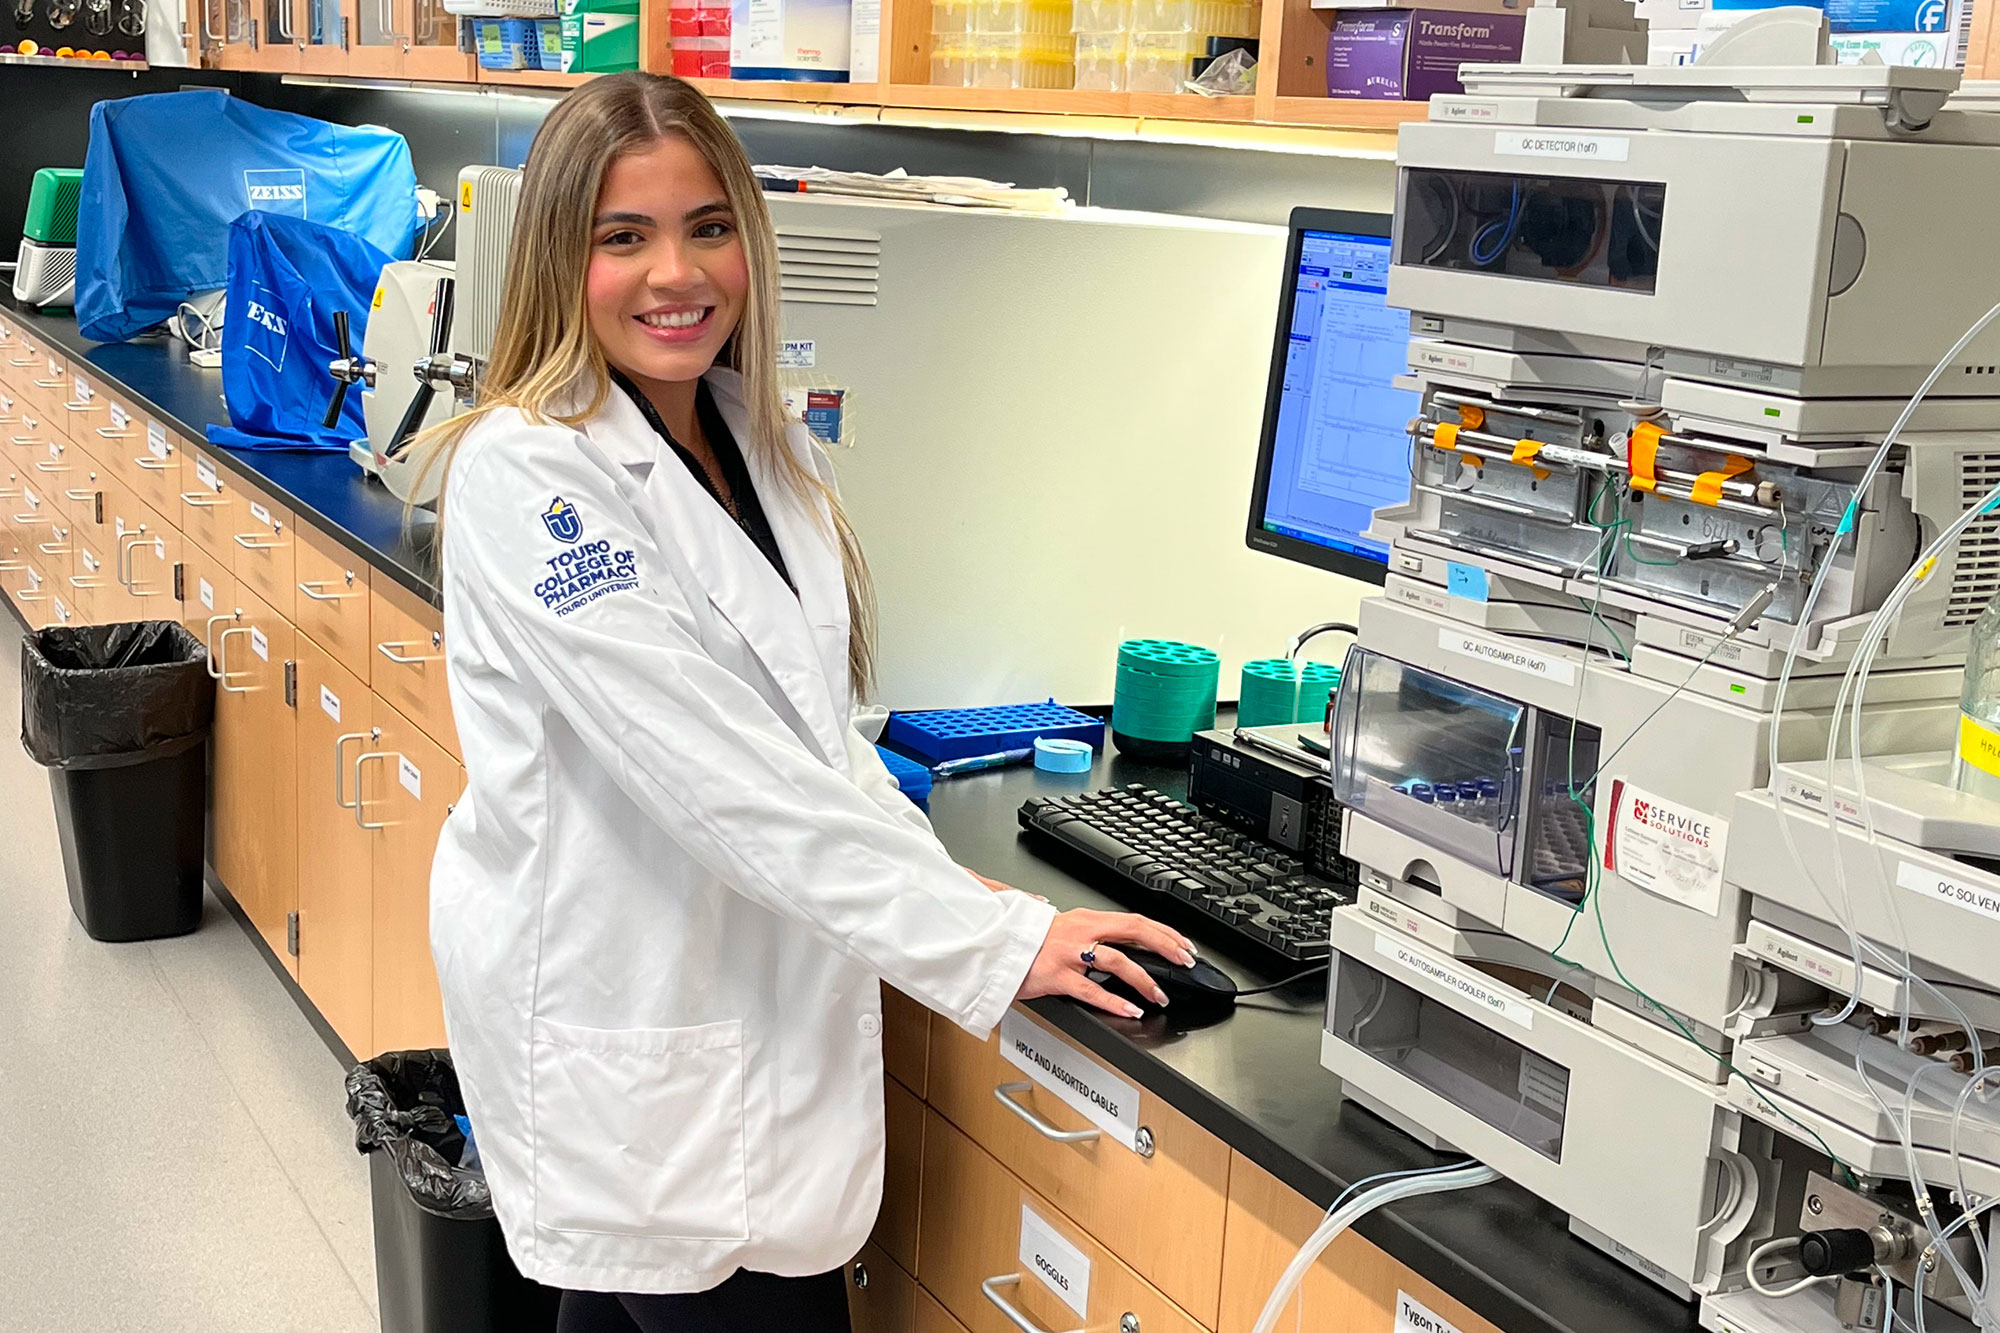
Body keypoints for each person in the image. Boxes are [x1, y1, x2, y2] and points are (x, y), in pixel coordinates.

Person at [421, 72, 1196, 1333]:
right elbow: (718, 776)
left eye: (707, 225)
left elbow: (809, 745)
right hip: (638, 1031)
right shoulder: (531, 475)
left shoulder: (759, 442)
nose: (677, 273)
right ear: (562, 259)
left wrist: (964, 897)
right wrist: (990, 949)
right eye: (623, 237)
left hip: (723, 1029)